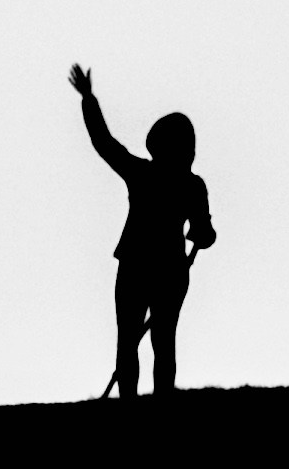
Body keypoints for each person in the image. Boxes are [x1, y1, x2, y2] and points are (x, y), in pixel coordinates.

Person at [68, 65, 215, 396]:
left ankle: (136, 403)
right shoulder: (188, 184)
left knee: (139, 339)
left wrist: (89, 100)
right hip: (165, 267)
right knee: (156, 340)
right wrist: (89, 100)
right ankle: (149, 401)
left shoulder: (148, 176)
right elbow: (204, 230)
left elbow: (105, 143)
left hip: (144, 266)